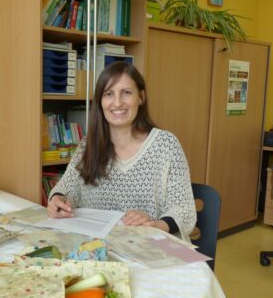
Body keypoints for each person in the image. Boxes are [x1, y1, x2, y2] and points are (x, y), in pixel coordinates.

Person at [46, 62, 196, 242]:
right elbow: (66, 189)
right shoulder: (88, 146)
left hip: (151, 246)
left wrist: (155, 226)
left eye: (126, 92)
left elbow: (183, 210)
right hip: (101, 248)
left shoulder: (166, 145)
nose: (117, 103)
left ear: (141, 97)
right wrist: (57, 200)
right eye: (109, 94)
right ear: (100, 102)